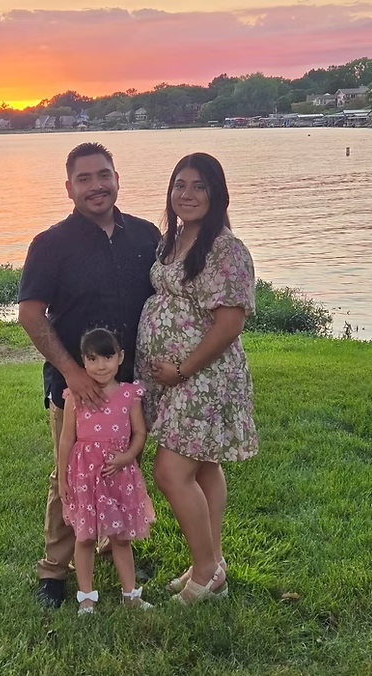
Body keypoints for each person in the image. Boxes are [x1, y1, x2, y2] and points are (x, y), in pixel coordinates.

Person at [18, 142, 160, 608]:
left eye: (103, 175)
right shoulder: (50, 244)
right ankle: (54, 572)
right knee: (70, 474)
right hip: (74, 387)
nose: (96, 186)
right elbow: (31, 315)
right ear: (68, 188)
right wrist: (70, 372)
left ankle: (111, 541)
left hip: (128, 388)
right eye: (84, 178)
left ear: (118, 178)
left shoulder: (146, 236)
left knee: (121, 467)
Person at [135, 152, 258, 605]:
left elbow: (229, 324)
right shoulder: (174, 240)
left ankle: (207, 575)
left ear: (217, 193)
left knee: (170, 472)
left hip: (203, 377)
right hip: (173, 378)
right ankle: (211, 560)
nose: (187, 195)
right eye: (179, 185)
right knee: (205, 465)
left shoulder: (226, 249)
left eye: (199, 186)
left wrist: (182, 369)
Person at [57, 328, 155, 615]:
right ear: (83, 362)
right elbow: (66, 439)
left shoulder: (129, 394)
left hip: (119, 477)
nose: (101, 365)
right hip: (84, 477)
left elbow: (139, 433)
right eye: (93, 359)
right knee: (84, 537)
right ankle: (86, 597)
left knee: (121, 538)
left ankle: (131, 594)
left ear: (121, 357)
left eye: (108, 357)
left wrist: (126, 457)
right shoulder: (75, 396)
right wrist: (62, 477)